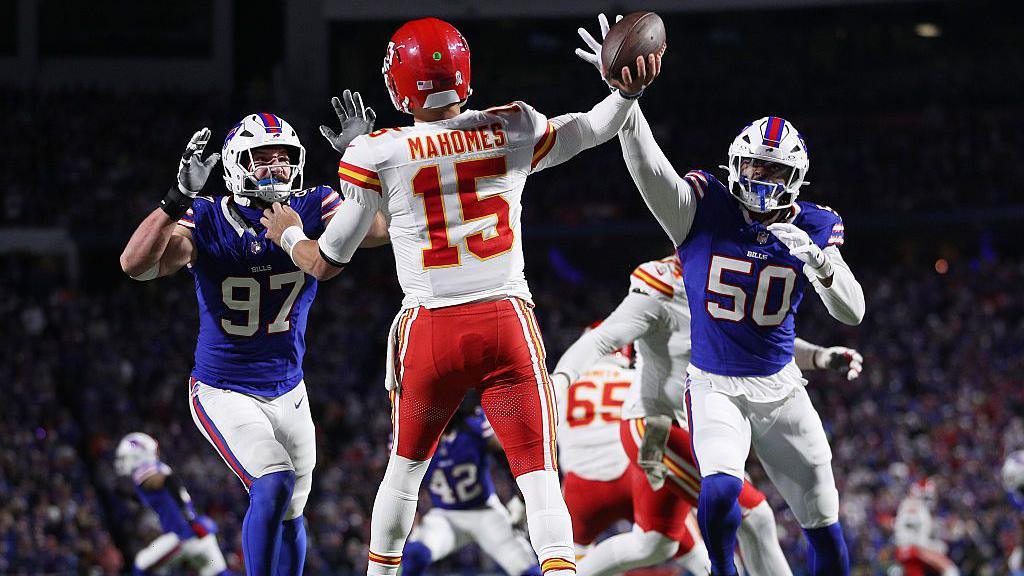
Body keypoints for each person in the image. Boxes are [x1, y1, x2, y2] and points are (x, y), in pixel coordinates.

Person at [260, 17, 663, 576]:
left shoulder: (377, 153)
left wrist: (287, 233)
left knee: (403, 473)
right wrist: (626, 92)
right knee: (541, 480)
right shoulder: (511, 127)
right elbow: (595, 128)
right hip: (506, 322)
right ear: (464, 77)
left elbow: (324, 261)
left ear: (398, 83)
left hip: (429, 329)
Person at [577, 14, 866, 576]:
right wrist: (626, 101)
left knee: (823, 521)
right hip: (715, 386)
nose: (758, 176)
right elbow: (647, 168)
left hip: (782, 388)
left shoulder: (815, 224)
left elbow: (852, 312)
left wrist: (822, 263)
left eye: (771, 168)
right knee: (719, 494)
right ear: (735, 162)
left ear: (796, 177)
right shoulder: (703, 209)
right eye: (752, 164)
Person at [118, 102, 384, 575]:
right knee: (274, 481)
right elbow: (134, 265)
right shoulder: (208, 217)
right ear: (238, 164)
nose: (276, 166)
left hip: (290, 388)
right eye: (263, 157)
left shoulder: (314, 202)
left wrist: (359, 163)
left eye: (282, 156)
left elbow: (378, 231)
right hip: (225, 389)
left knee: (292, 512)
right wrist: (176, 197)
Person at [554, 254, 863, 576]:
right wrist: (559, 381)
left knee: (657, 543)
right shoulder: (663, 289)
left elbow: (765, 347)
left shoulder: (729, 280)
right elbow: (601, 339)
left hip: (696, 428)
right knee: (756, 517)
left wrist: (821, 357)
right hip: (660, 428)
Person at [555, 334, 711, 575]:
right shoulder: (634, 378)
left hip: (580, 486)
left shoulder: (561, 388)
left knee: (568, 556)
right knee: (687, 547)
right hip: (633, 476)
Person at [402, 403, 541, 576]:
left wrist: (520, 498)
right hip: (445, 516)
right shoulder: (411, 434)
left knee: (528, 571)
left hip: (486, 512)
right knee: (415, 555)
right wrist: (413, 514)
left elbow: (513, 459)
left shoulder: (474, 425)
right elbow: (404, 482)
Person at [114, 432, 232, 576]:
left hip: (182, 535)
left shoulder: (146, 471)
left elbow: (167, 480)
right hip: (200, 531)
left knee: (141, 565)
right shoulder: (157, 469)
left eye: (125, 458)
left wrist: (186, 516)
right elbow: (159, 496)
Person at [893, 479, 959, 576]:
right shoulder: (920, 509)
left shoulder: (906, 505)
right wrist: (935, 546)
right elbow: (918, 539)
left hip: (904, 551)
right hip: (914, 550)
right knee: (951, 570)